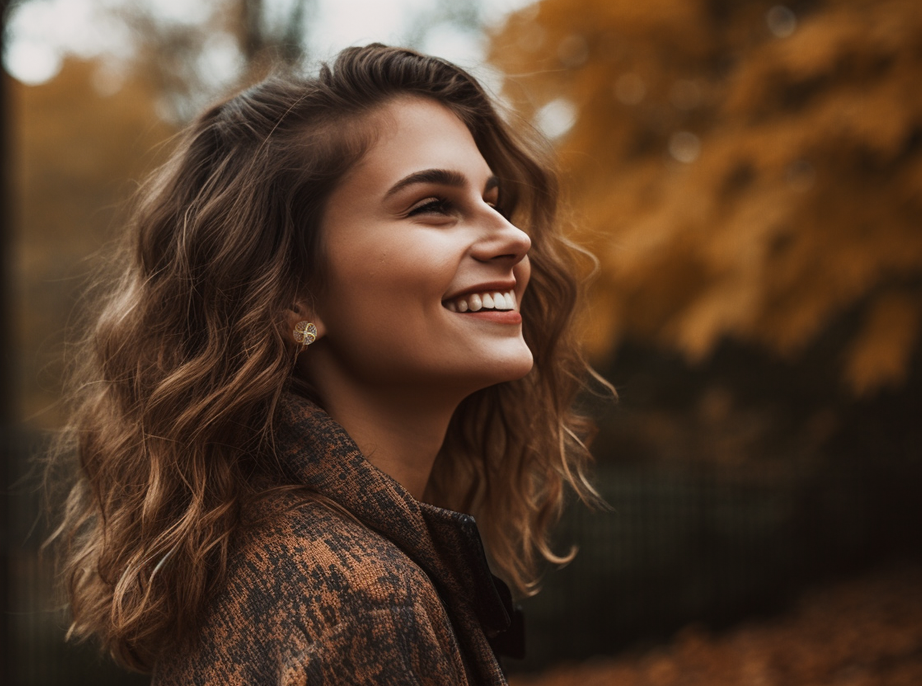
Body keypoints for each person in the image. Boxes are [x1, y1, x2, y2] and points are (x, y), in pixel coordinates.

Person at [50, 44, 606, 685]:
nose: (514, 237)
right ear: (292, 294)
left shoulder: (266, 554)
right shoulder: (363, 604)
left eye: (493, 199)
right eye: (433, 205)